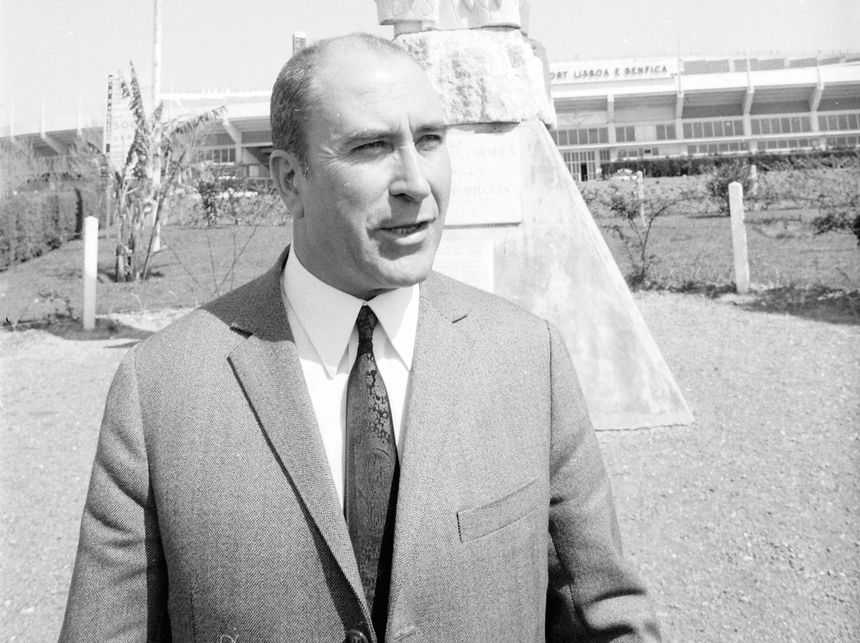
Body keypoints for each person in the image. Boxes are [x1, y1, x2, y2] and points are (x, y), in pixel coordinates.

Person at [60, 33, 660, 642]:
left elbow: (604, 615)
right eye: (372, 147)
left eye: (429, 140)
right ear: (291, 180)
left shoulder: (529, 358)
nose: (416, 182)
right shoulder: (161, 389)